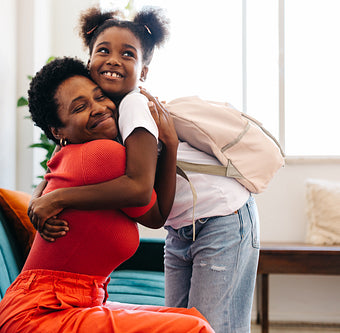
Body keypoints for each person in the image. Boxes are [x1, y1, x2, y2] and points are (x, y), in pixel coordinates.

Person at [29, 6, 260, 333]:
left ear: (144, 71)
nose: (113, 60)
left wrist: (57, 199)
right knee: (188, 323)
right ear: (89, 60)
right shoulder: (102, 113)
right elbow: (61, 152)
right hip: (182, 228)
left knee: (215, 326)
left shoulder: (134, 105)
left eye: (127, 54)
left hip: (220, 216)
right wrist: (41, 194)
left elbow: (138, 188)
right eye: (103, 51)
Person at [0, 57, 213, 332]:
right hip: (40, 316)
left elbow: (153, 216)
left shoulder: (70, 154)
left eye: (99, 97)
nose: (99, 108)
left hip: (67, 304)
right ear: (58, 131)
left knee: (197, 321)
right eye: (81, 107)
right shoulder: (102, 155)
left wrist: (47, 199)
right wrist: (169, 144)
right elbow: (154, 212)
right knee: (194, 329)